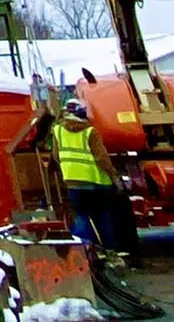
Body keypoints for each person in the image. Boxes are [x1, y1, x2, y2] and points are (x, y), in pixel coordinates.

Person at [54, 97, 124, 249]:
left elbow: (56, 156)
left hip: (72, 182)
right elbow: (101, 158)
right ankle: (109, 250)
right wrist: (114, 176)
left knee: (81, 216)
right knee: (102, 216)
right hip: (96, 182)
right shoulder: (90, 131)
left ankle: (83, 250)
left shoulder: (58, 130)